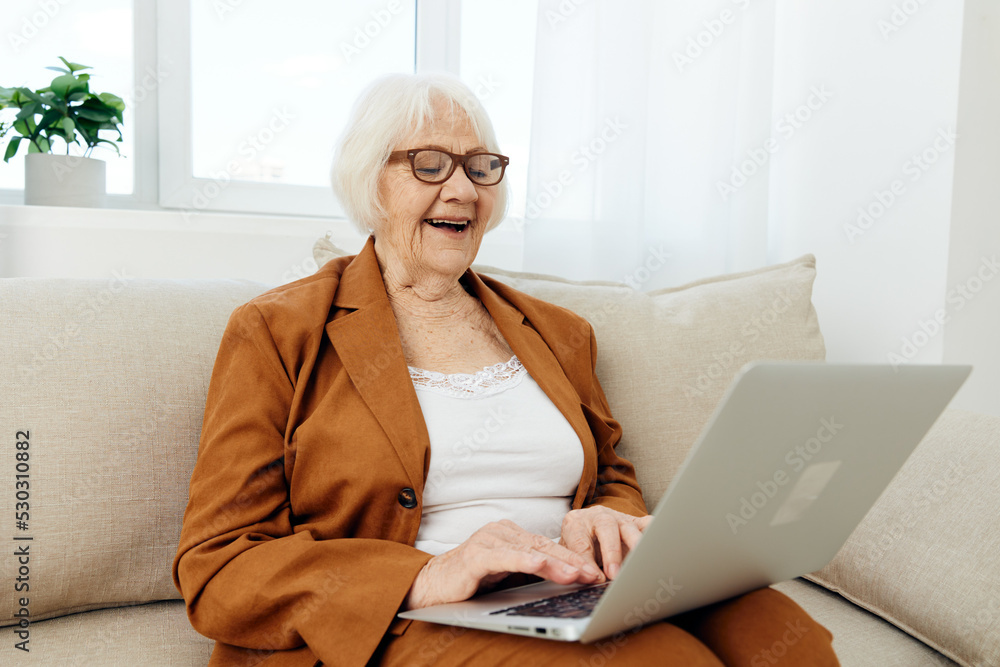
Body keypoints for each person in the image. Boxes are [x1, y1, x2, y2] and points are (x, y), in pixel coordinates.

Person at [173, 73, 839, 666]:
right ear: (369, 180)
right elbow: (218, 564)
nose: (461, 189)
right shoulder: (277, 331)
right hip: (409, 616)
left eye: (480, 166)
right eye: (429, 164)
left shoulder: (557, 332)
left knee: (787, 640)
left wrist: (608, 515)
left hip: (573, 584)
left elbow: (610, 470)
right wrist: (429, 574)